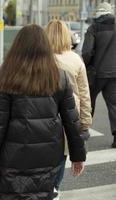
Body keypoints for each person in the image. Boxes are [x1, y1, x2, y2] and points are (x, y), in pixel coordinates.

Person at [0, 24, 86, 200]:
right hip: (48, 152)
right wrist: (78, 155)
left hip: (13, 154)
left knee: (12, 194)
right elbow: (71, 120)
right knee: (43, 194)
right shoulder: (58, 76)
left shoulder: (6, 75)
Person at [45, 19, 92, 200]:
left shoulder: (42, 59)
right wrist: (85, 123)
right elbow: (84, 94)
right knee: (61, 157)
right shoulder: (75, 60)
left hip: (45, 115)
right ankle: (55, 189)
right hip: (70, 118)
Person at [82, 2, 116, 148]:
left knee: (88, 104)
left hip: (95, 73)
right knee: (114, 105)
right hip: (114, 73)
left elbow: (87, 51)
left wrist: (85, 64)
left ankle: (83, 135)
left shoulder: (93, 28)